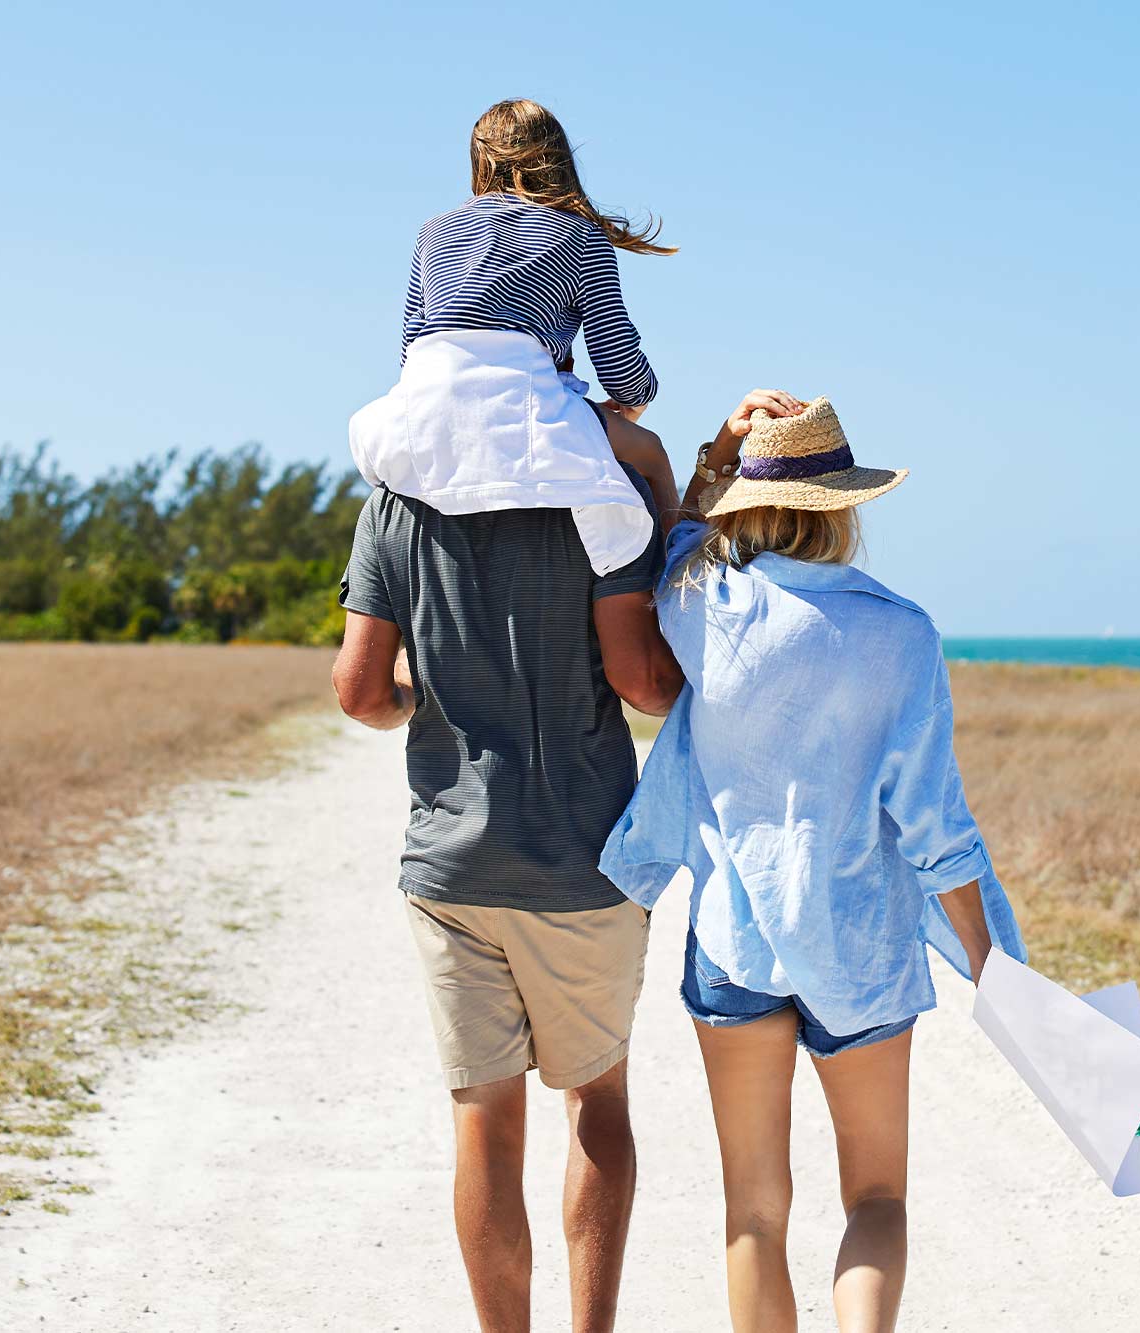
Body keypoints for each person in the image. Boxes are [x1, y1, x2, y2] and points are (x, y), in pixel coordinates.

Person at [601, 391, 1025, 1333]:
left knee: (753, 1211)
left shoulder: (699, 598)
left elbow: (676, 524)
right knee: (877, 1199)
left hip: (732, 945)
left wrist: (719, 449)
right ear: (847, 505)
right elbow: (933, 823)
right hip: (863, 950)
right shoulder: (902, 632)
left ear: (746, 502)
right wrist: (989, 960)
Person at [332, 406, 684, 1332]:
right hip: (585, 860)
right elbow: (643, 685)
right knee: (596, 1099)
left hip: (451, 867)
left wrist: (424, 695)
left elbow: (361, 690)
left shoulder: (394, 504)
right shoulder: (597, 495)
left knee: (484, 1117)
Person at [348, 97, 679, 577]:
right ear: (559, 159)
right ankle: (682, 586)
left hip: (427, 407)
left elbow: (411, 349)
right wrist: (633, 405)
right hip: (527, 408)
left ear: (480, 160)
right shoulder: (583, 235)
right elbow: (618, 361)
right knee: (652, 456)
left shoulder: (432, 230)